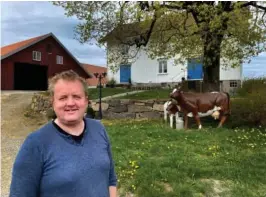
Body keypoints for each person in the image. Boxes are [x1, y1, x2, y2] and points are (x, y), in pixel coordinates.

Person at [9, 70, 117, 197]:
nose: (70, 103)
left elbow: (111, 179)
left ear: (86, 101)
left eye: (77, 96)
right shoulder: (35, 143)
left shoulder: (98, 129)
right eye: (63, 98)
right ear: (53, 102)